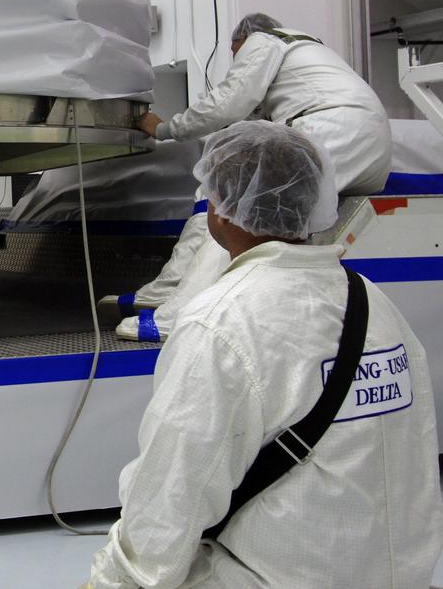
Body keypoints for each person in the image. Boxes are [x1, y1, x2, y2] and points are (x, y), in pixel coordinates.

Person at [86, 121, 442, 589]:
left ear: (222, 212)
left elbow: (171, 496)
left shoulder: (220, 322)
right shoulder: (372, 300)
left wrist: (111, 581)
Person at [105, 12, 392, 341]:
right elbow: (245, 121)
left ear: (239, 42)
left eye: (234, 54)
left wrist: (166, 128)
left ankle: (175, 315)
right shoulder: (307, 55)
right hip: (369, 142)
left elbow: (227, 102)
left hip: (331, 131)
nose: (235, 60)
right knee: (218, 192)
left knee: (239, 213)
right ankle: (167, 288)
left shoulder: (265, 41)